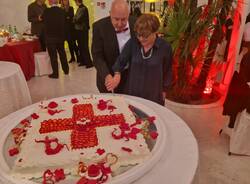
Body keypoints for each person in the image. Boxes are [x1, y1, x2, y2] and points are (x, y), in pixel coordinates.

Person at [111, 14, 173, 105]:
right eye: (139, 35)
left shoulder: (165, 47)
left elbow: (167, 71)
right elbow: (120, 61)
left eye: (145, 36)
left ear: (155, 31)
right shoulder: (133, 43)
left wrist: (164, 91)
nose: (141, 39)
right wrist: (117, 73)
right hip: (133, 93)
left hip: (154, 96)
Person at [92, 0, 136, 93]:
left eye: (123, 19)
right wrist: (107, 75)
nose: (119, 24)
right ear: (110, 14)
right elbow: (97, 56)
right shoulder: (99, 27)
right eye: (116, 19)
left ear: (129, 14)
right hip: (108, 78)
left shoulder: (136, 23)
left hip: (131, 78)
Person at [43, 0, 69, 78]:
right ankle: (66, 70)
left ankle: (55, 73)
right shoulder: (62, 11)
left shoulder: (46, 11)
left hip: (50, 37)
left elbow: (45, 24)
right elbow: (64, 24)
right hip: (60, 37)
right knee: (62, 54)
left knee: (53, 56)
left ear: (50, 2)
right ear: (57, 2)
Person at [73, 0, 93, 68]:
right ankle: (83, 61)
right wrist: (74, 19)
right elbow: (75, 18)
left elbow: (77, 19)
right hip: (79, 30)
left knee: (84, 46)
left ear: (77, 1)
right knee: (81, 46)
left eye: (75, 1)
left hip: (83, 30)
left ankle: (89, 63)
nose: (75, 3)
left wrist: (74, 20)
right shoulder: (79, 8)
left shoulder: (83, 8)